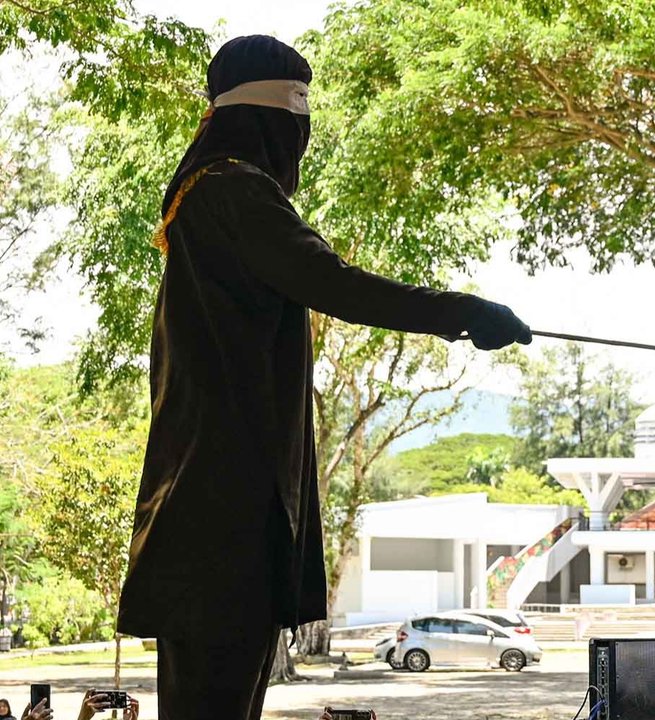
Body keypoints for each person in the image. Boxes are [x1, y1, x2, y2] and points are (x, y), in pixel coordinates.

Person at [114, 35, 531, 720]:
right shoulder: (235, 190)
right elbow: (330, 282)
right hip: (227, 507)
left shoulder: (205, 194)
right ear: (277, 122)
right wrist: (461, 312)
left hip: (210, 502)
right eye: (297, 119)